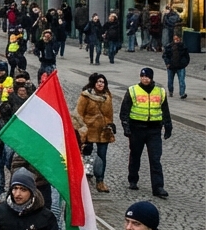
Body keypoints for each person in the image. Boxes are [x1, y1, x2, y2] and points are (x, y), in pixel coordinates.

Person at [120, 67, 171, 198]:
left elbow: (165, 110)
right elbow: (124, 111)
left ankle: (158, 187)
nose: (145, 79)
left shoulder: (160, 92)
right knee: (135, 155)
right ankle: (133, 179)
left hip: (154, 130)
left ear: (151, 78)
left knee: (155, 159)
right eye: (142, 76)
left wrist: (168, 126)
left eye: (147, 77)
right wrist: (126, 127)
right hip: (137, 128)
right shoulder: (132, 91)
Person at [76, 74, 115, 194]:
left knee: (102, 157)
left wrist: (110, 124)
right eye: (98, 82)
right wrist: (80, 130)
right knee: (87, 156)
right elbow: (79, 114)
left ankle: (100, 181)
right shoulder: (85, 96)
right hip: (88, 130)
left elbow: (109, 114)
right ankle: (86, 179)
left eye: (103, 82)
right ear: (94, 83)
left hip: (103, 131)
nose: (100, 84)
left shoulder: (107, 97)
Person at [163, 32, 190, 99]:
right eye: (175, 39)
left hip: (180, 66)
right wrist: (167, 63)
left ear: (180, 39)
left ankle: (182, 93)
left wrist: (184, 64)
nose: (176, 40)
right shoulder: (169, 46)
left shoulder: (183, 47)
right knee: (170, 80)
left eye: (177, 39)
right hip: (171, 66)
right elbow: (165, 56)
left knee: (181, 81)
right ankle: (171, 91)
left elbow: (187, 57)